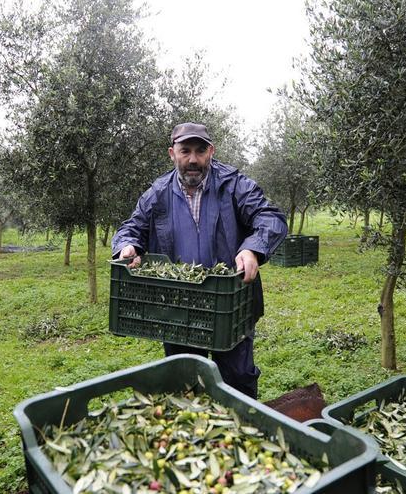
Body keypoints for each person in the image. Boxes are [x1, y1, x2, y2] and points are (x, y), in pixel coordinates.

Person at [111, 122, 287, 398]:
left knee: (237, 381)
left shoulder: (233, 185)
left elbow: (270, 217)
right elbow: (131, 228)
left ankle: (238, 431)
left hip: (230, 306)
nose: (193, 159)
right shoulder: (158, 193)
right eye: (185, 151)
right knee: (184, 385)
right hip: (178, 310)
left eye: (200, 151)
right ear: (172, 153)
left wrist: (253, 248)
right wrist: (127, 246)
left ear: (211, 152)